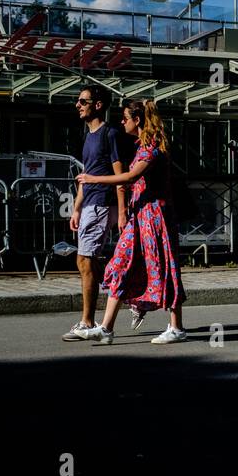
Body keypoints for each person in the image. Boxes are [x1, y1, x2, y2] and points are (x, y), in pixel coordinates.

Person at [77, 99, 188, 345]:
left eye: (125, 118)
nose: (122, 121)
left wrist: (92, 178)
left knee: (164, 267)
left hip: (155, 218)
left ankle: (176, 327)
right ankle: (106, 327)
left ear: (137, 120)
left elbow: (131, 175)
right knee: (120, 263)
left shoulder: (152, 148)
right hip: (140, 217)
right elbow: (130, 180)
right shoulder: (142, 147)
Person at [63, 85, 127, 341]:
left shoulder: (109, 133)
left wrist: (121, 210)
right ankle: (97, 319)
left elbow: (119, 173)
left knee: (86, 260)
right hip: (90, 202)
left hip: (103, 202)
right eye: (78, 101)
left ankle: (88, 322)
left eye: (82, 101)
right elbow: (85, 176)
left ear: (98, 105)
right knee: (88, 261)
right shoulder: (87, 135)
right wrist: (77, 208)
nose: (77, 105)